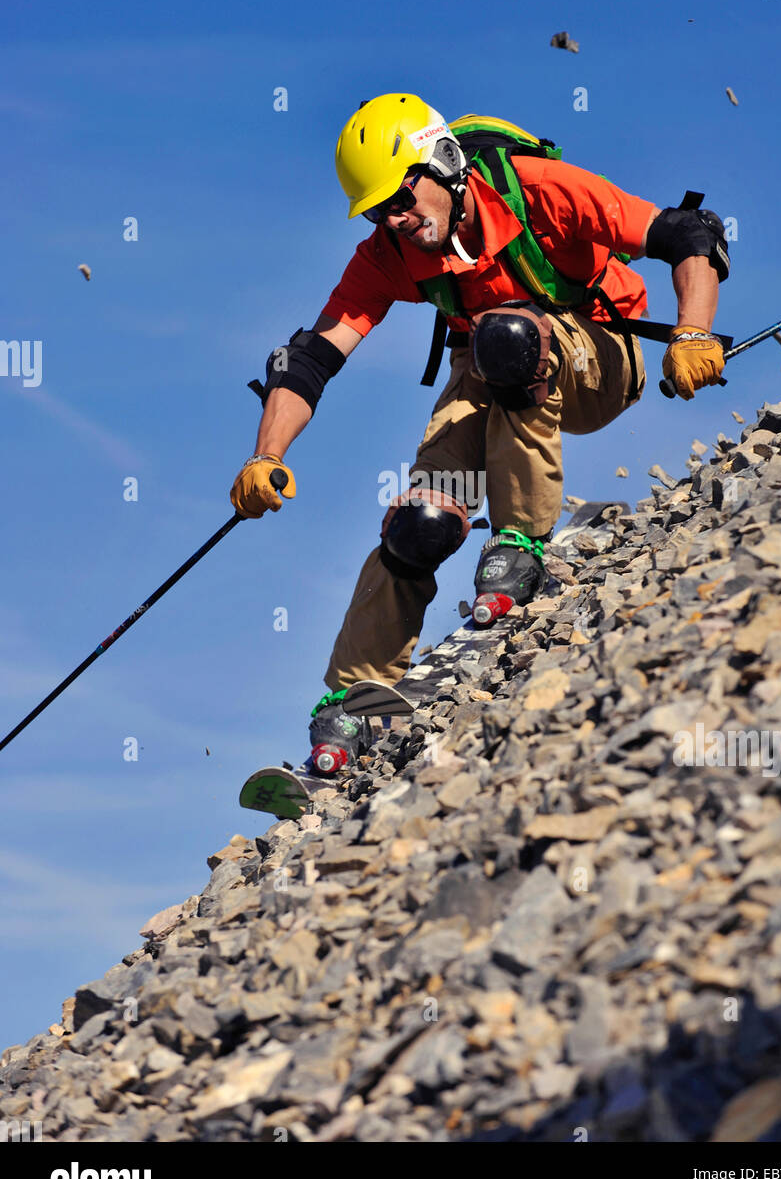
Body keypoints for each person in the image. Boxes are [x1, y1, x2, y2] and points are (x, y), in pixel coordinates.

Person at [230, 94, 729, 775]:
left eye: (401, 200)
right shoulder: (388, 254)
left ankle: (519, 540)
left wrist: (693, 328)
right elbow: (310, 357)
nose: (397, 220)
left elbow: (689, 232)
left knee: (507, 336)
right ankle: (353, 697)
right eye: (380, 211)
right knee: (422, 519)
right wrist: (267, 455)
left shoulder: (534, 190)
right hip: (491, 363)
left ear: (441, 164)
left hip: (596, 357)